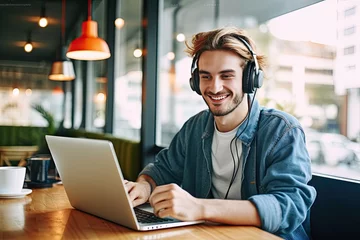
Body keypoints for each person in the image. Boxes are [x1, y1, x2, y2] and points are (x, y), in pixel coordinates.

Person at [125, 26, 316, 239]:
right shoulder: (194, 127)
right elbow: (161, 170)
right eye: (206, 77)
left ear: (249, 78)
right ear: (195, 82)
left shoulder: (281, 130)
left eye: (226, 76)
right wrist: (143, 188)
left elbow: (289, 205)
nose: (215, 88)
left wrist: (200, 208)